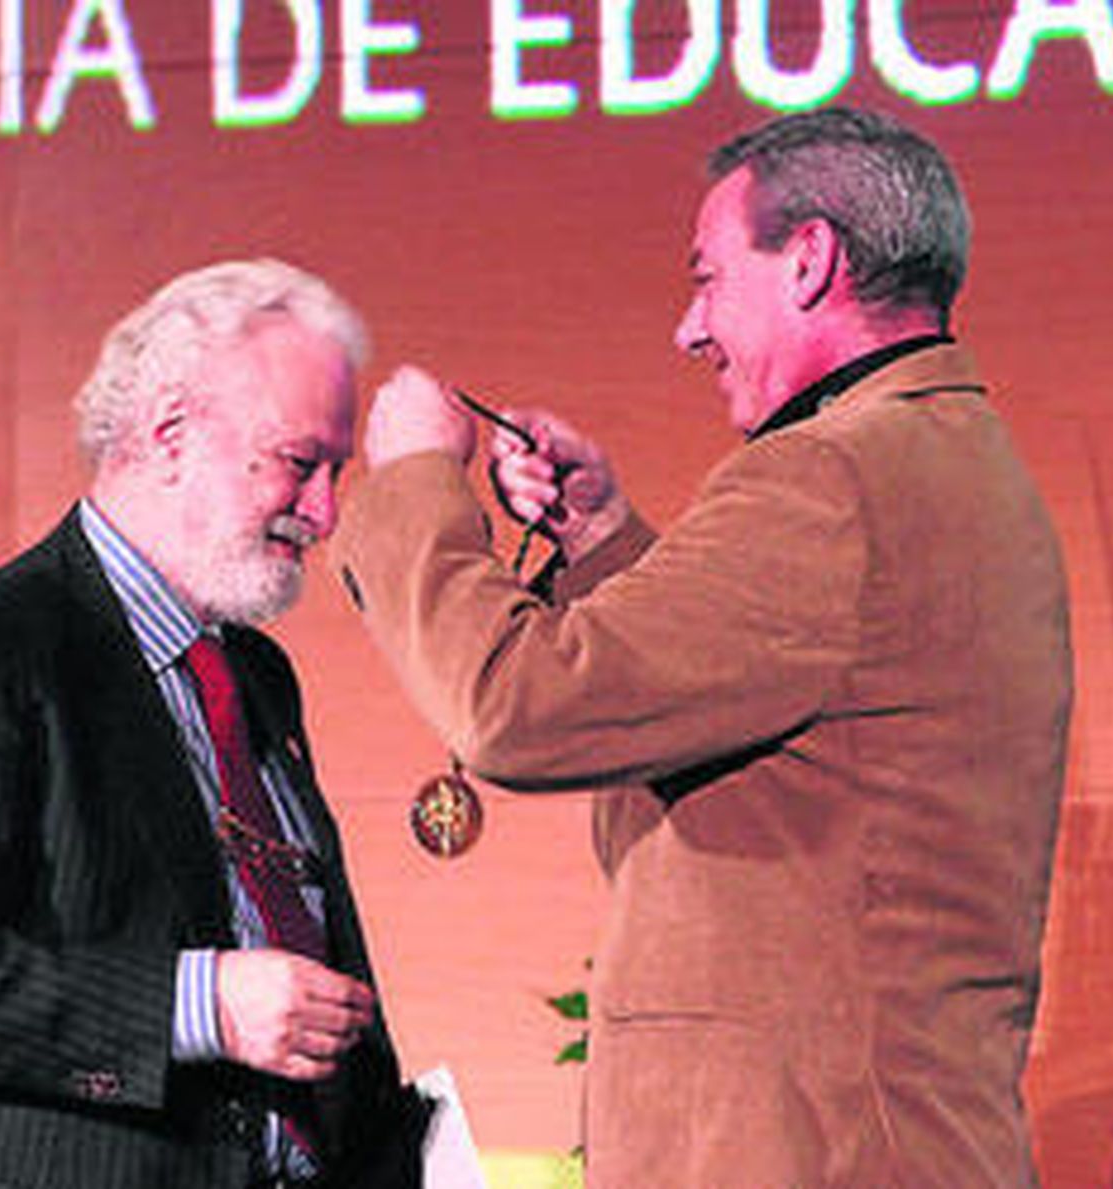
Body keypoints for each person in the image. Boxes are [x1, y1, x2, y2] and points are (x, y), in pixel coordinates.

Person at [333, 108, 1072, 1187]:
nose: (689, 330)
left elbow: (516, 710)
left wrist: (413, 483)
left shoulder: (829, 477)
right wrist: (599, 541)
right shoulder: (951, 463)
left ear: (810, 260)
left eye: (708, 280)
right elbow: (755, 777)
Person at [0, 259, 427, 1189]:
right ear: (170, 433)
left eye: (335, 472)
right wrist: (199, 1004)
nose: (324, 512)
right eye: (300, 463)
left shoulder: (256, 677)